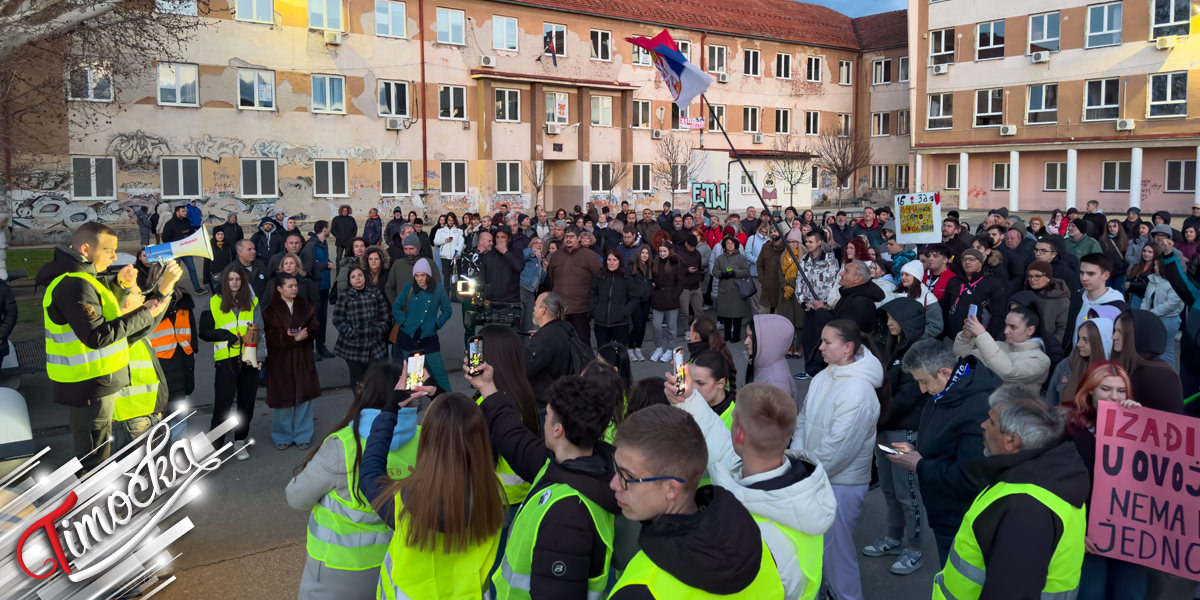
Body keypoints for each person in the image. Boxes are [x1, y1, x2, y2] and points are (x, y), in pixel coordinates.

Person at [667, 379, 836, 600]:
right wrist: (688, 399)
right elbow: (720, 443)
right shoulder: (802, 489)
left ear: (738, 435)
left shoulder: (754, 541)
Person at [38, 222, 179, 471]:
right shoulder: (75, 283)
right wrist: (147, 311)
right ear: (86, 248)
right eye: (109, 250)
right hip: (92, 387)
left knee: (100, 462)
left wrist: (118, 286)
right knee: (95, 465)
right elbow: (98, 335)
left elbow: (104, 318)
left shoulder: (83, 280)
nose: (115, 257)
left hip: (94, 386)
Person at [607, 405, 785, 598]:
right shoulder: (757, 547)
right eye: (616, 469)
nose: (614, 484)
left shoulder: (641, 587)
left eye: (627, 476)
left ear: (672, 488)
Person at [933, 386, 1089, 600]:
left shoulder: (1026, 509)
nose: (983, 425)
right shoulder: (1047, 473)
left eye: (992, 422)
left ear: (1011, 441)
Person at [473, 371, 619, 600]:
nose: (544, 420)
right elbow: (515, 437)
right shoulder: (568, 466)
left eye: (548, 415)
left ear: (557, 429)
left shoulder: (568, 516)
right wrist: (487, 387)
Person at [358, 385, 506, 599]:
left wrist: (390, 410)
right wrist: (441, 395)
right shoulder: (494, 497)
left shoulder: (402, 503)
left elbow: (370, 471)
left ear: (428, 440)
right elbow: (467, 433)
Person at [286, 363, 420, 599]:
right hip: (399, 560)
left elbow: (297, 497)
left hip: (337, 568)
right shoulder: (425, 438)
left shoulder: (344, 444)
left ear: (366, 393)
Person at [790, 319, 883, 600]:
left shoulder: (858, 391)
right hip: (815, 476)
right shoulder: (824, 376)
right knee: (819, 549)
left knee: (837, 554)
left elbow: (840, 449)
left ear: (848, 348)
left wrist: (804, 473)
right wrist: (797, 459)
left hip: (842, 482)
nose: (820, 347)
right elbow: (803, 420)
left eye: (827, 342)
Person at [891, 339, 997, 565]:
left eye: (923, 381)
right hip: (946, 512)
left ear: (945, 372)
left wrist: (920, 465)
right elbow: (945, 443)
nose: (921, 389)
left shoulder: (976, 408)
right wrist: (917, 451)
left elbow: (971, 477)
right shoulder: (948, 390)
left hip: (960, 519)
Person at [1062, 361, 1150, 600]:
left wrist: (1142, 427)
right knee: (1091, 594)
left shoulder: (1141, 426)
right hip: (1089, 534)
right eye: (1106, 389)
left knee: (1130, 593)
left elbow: (1154, 480)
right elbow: (1057, 485)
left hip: (1131, 532)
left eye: (1121, 391)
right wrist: (1076, 531)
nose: (1114, 396)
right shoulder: (1069, 428)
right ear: (1090, 390)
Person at [867, 298, 931, 575]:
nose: (889, 323)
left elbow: (909, 396)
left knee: (908, 494)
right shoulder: (896, 345)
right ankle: (894, 539)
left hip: (903, 430)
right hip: (886, 426)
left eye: (893, 318)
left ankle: (914, 549)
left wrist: (877, 414)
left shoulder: (919, 351)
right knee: (890, 490)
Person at [198, 263, 263, 461]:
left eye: (238, 279)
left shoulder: (253, 302)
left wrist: (260, 358)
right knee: (222, 407)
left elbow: (261, 332)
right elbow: (205, 332)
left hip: (249, 360)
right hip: (225, 361)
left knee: (246, 405)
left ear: (243, 282)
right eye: (230, 279)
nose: (234, 282)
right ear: (225, 282)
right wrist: (229, 336)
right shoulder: (214, 302)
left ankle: (239, 441)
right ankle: (214, 447)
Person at [264, 273, 321, 451]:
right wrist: (291, 340)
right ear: (279, 288)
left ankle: (303, 434)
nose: (294, 289)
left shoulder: (304, 304)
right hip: (280, 362)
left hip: (303, 358)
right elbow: (269, 337)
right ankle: (282, 435)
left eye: (295, 285)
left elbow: (315, 326)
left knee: (304, 399)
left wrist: (306, 334)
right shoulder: (270, 310)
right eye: (290, 286)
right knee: (283, 401)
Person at [799, 260, 884, 378]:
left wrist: (820, 310)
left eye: (846, 271)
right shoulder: (851, 296)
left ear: (858, 278)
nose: (841, 274)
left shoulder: (860, 303)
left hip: (848, 366)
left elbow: (839, 330)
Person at [391, 258, 453, 390]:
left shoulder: (439, 289)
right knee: (414, 373)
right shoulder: (409, 287)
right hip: (409, 335)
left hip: (428, 336)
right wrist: (404, 322)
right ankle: (414, 400)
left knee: (439, 371)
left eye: (422, 275)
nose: (419, 279)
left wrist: (436, 324)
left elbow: (447, 310)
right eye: (417, 275)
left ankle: (449, 399)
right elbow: (396, 307)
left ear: (428, 275)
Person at [953, 304, 1051, 386]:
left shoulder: (1041, 360)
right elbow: (964, 361)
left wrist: (982, 334)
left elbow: (1007, 373)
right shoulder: (999, 345)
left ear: (1030, 330)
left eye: (1013, 327)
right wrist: (966, 338)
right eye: (1006, 325)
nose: (1005, 331)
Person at [1111, 310, 1184, 414]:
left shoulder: (1160, 375)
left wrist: (1139, 412)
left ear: (1137, 335)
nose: (1113, 337)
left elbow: (1173, 419)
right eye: (1114, 330)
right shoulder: (1123, 364)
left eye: (1120, 332)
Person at [148, 290, 197, 443]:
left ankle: (178, 454)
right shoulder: (147, 304)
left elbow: (192, 338)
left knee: (179, 417)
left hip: (182, 370)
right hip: (156, 371)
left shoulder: (184, 305)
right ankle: (162, 455)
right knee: (160, 421)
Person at [333, 265, 389, 391]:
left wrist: (380, 329)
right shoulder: (345, 296)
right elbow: (337, 319)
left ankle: (375, 404)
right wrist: (351, 332)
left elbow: (383, 315)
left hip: (374, 344)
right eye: (353, 277)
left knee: (375, 377)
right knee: (358, 379)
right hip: (353, 346)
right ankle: (362, 405)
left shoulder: (374, 293)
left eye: (360, 275)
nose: (357, 279)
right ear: (349, 280)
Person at [547, 228, 603, 344]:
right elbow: (552, 277)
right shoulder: (556, 256)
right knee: (560, 343)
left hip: (581, 309)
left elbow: (599, 280)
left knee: (582, 343)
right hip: (560, 309)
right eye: (566, 237)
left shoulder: (591, 256)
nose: (568, 239)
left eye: (571, 236)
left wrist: (593, 305)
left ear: (579, 239)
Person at [1062, 254, 1124, 352]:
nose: (1084, 278)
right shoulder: (1078, 298)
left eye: (1091, 274)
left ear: (1106, 275)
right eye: (1082, 273)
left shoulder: (1117, 306)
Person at [525, 291, 574, 396]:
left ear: (543, 310)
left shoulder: (545, 338)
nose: (533, 308)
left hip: (547, 399)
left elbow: (526, 370)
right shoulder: (566, 327)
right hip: (564, 393)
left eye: (536, 305)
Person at [742, 313, 797, 403]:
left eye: (751, 337)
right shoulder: (768, 359)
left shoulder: (775, 383)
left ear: (768, 340)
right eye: (747, 336)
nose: (746, 342)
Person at [1139, 259, 1184, 369]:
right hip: (1152, 317)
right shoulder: (1152, 279)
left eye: (1157, 266)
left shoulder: (1175, 282)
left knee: (1166, 351)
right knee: (1152, 349)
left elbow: (1171, 303)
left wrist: (1152, 313)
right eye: (1154, 265)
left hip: (1168, 320)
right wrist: (1144, 312)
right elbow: (1146, 298)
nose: (1155, 268)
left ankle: (1171, 377)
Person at [589, 249, 636, 349]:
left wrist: (625, 311)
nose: (611, 262)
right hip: (601, 322)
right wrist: (594, 309)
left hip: (620, 323)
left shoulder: (626, 278)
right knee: (602, 352)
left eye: (614, 260)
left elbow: (634, 298)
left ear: (620, 261)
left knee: (620, 353)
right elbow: (591, 294)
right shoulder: (600, 276)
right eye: (609, 259)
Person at [648, 241, 684, 363]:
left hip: (671, 299)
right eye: (660, 251)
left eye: (664, 251)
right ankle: (658, 348)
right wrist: (653, 285)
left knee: (671, 327)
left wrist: (674, 295)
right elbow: (651, 276)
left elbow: (680, 282)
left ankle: (669, 349)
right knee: (656, 325)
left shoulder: (676, 262)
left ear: (669, 251)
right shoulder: (656, 262)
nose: (662, 253)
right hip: (658, 298)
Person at [162, 203, 204, 291]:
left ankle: (197, 288)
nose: (185, 213)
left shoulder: (187, 221)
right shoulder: (170, 224)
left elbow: (191, 232)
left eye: (186, 211)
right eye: (183, 211)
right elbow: (165, 238)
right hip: (175, 252)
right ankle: (172, 290)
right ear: (177, 212)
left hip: (186, 250)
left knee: (192, 269)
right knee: (174, 271)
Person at [627, 244, 654, 362]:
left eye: (647, 253)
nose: (645, 255)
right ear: (639, 253)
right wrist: (636, 292)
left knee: (643, 325)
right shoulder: (632, 264)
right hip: (635, 300)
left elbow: (651, 281)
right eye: (643, 253)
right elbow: (628, 280)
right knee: (636, 324)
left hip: (646, 300)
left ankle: (638, 348)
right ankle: (630, 347)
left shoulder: (649, 266)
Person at [519, 236, 548, 334]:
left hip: (531, 292)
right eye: (537, 243)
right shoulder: (528, 251)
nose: (539, 245)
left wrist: (544, 269)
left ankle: (525, 343)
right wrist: (533, 253)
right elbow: (522, 256)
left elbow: (540, 280)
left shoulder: (540, 259)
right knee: (520, 316)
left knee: (529, 320)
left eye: (541, 243)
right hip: (522, 287)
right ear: (532, 245)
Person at [433, 214, 464, 292]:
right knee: (446, 277)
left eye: (452, 220)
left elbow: (461, 243)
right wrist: (445, 240)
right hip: (445, 257)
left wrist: (458, 253)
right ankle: (446, 295)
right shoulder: (441, 230)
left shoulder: (459, 231)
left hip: (455, 257)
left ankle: (454, 296)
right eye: (449, 220)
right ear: (447, 220)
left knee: (454, 277)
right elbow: (436, 241)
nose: (451, 222)